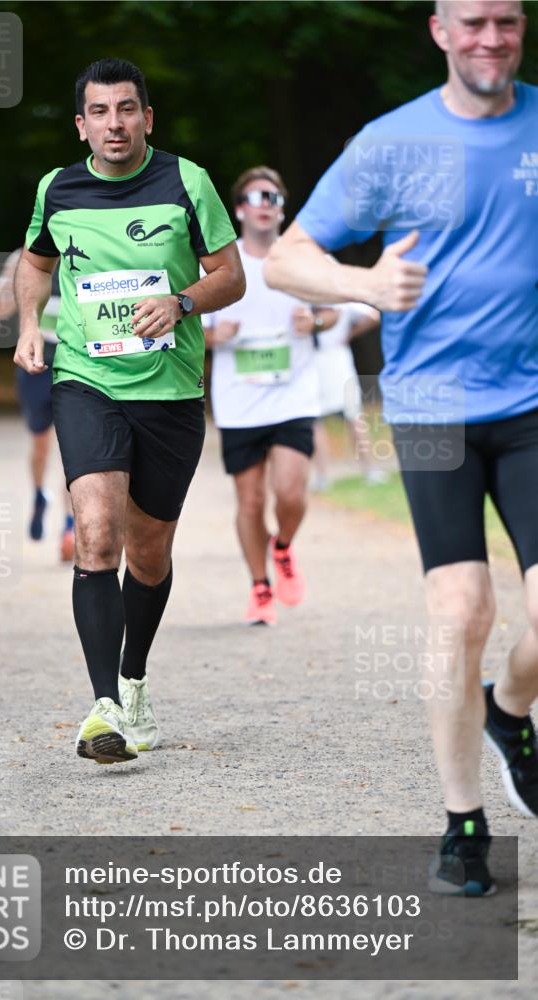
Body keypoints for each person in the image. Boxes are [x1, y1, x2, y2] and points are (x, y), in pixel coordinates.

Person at [265, 0, 537, 895]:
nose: (489, 39)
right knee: (461, 612)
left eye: (506, 21)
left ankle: (509, 710)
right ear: (438, 31)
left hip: (534, 402)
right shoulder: (391, 143)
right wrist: (364, 282)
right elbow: (286, 259)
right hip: (432, 411)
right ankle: (463, 823)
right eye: (472, 23)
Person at [14, 58, 244, 764]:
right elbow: (35, 262)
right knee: (96, 533)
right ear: (81, 124)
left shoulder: (187, 181)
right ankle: (102, 707)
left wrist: (178, 302)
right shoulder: (58, 188)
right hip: (87, 381)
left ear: (147, 117)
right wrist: (29, 324)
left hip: (170, 392)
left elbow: (229, 277)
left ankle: (134, 679)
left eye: (127, 109)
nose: (114, 123)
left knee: (148, 553)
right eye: (100, 112)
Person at [206, 166, 320, 626]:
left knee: (290, 492)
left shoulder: (301, 260)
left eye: (274, 196)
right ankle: (259, 586)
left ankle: (284, 545)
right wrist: (216, 335)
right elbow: (187, 324)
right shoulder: (219, 265)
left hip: (294, 394)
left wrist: (316, 322)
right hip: (239, 400)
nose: (266, 203)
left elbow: (335, 313)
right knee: (250, 503)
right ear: (239, 209)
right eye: (257, 195)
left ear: (282, 208)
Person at [0, 250, 75, 560]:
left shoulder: (85, 245)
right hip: (36, 364)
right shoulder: (24, 257)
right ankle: (39, 495)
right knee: (40, 445)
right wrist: (7, 282)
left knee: (74, 446)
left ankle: (71, 526)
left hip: (74, 363)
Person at [310, 302, 385, 492]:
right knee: (316, 420)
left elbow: (373, 315)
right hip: (312, 362)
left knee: (353, 416)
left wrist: (348, 335)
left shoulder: (338, 301)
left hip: (336, 359)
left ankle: (368, 469)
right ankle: (323, 476)